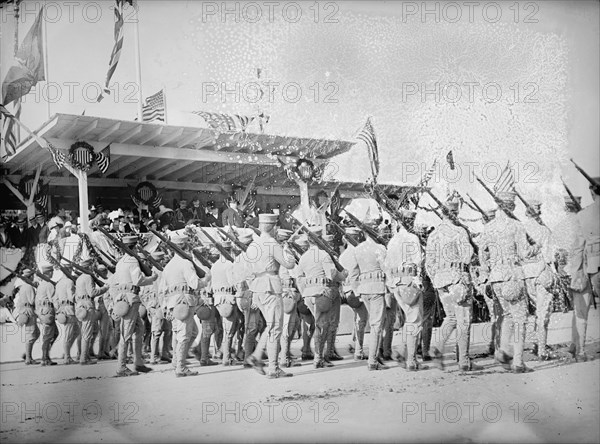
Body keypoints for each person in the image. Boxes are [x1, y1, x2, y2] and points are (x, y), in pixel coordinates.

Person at [478, 192, 534, 373]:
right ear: (511, 205)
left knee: (506, 316)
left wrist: (487, 270)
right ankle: (518, 361)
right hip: (512, 275)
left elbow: (481, 252)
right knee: (520, 319)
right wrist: (537, 247)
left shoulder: (489, 227)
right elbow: (524, 253)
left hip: (496, 278)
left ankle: (502, 350)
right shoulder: (517, 226)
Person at [426, 199, 481, 372]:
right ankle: (463, 361)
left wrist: (436, 279)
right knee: (464, 320)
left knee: (450, 318)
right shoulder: (459, 231)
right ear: (455, 213)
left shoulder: (433, 235)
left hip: (441, 281)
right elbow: (468, 255)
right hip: (457, 278)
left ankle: (437, 348)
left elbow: (429, 263)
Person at [245, 213, 296, 378]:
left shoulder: (253, 245)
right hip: (271, 286)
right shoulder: (273, 243)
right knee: (275, 328)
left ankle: (257, 356)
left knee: (270, 325)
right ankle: (273, 369)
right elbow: (289, 264)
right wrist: (288, 251)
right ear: (274, 227)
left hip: (257, 287)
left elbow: (248, 271)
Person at [296, 226, 347, 369]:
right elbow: (332, 274)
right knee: (322, 326)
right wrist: (343, 275)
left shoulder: (304, 257)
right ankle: (318, 358)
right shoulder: (324, 254)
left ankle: (320, 355)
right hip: (323, 293)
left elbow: (299, 278)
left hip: (308, 295)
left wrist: (305, 291)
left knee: (319, 325)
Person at [344, 218, 388, 371]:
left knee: (372, 323)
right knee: (376, 325)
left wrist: (357, 290)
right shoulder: (380, 248)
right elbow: (386, 269)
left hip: (364, 289)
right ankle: (373, 360)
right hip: (377, 287)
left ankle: (373, 356)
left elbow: (353, 273)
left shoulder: (358, 249)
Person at [384, 209, 426, 371]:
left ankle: (405, 352)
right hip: (409, 281)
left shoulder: (393, 241)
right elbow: (418, 262)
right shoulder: (412, 238)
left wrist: (392, 285)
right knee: (414, 321)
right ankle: (411, 359)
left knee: (404, 320)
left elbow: (387, 265)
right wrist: (418, 282)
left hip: (396, 284)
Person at [112, 235, 157, 377]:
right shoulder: (132, 261)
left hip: (123, 297)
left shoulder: (120, 262)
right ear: (135, 246)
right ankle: (121, 367)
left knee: (139, 328)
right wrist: (152, 278)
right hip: (131, 298)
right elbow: (138, 280)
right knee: (126, 333)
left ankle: (138, 362)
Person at [162, 233, 206, 377]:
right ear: (185, 246)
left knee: (187, 332)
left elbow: (163, 289)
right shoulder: (186, 263)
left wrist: (165, 307)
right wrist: (205, 281)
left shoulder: (168, 266)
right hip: (184, 302)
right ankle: (180, 367)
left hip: (173, 303)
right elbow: (194, 283)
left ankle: (177, 360)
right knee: (184, 335)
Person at [565, 182, 599, 362]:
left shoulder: (583, 216)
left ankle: (579, 350)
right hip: (589, 266)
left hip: (588, 267)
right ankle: (577, 349)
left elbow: (578, 248)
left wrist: (576, 273)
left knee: (580, 310)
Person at [521, 200, 556, 360]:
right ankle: (541, 349)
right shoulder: (543, 230)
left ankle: (534, 344)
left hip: (526, 275)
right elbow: (549, 257)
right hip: (541, 273)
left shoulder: (520, 229)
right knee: (543, 314)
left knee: (532, 313)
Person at [338, 227, 369, 361]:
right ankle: (359, 350)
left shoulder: (343, 255)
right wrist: (359, 293)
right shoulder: (358, 253)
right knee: (362, 319)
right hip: (355, 290)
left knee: (357, 317)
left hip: (346, 290)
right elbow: (355, 275)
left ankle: (355, 343)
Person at [75, 258, 109, 365]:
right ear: (89, 266)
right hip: (87, 305)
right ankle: (84, 358)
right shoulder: (88, 277)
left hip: (80, 306)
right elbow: (92, 293)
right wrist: (104, 288)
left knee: (86, 331)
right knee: (87, 333)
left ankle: (85, 355)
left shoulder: (79, 278)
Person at [54, 261, 79, 365]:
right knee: (69, 334)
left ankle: (67, 353)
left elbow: (54, 299)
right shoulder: (69, 282)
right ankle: (67, 357)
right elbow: (71, 296)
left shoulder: (59, 283)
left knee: (75, 332)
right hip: (69, 309)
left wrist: (58, 309)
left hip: (62, 309)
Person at [14, 267, 40, 365]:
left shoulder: (23, 287)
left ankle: (28, 355)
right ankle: (28, 358)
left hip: (25, 310)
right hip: (29, 310)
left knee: (36, 333)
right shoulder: (29, 287)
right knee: (31, 335)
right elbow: (32, 301)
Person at [35, 264, 59, 366]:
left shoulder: (41, 285)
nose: (52, 273)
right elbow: (53, 299)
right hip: (48, 310)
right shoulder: (49, 285)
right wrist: (59, 310)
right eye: (52, 271)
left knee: (53, 334)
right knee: (48, 336)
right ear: (48, 273)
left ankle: (46, 356)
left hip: (42, 311)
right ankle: (44, 358)